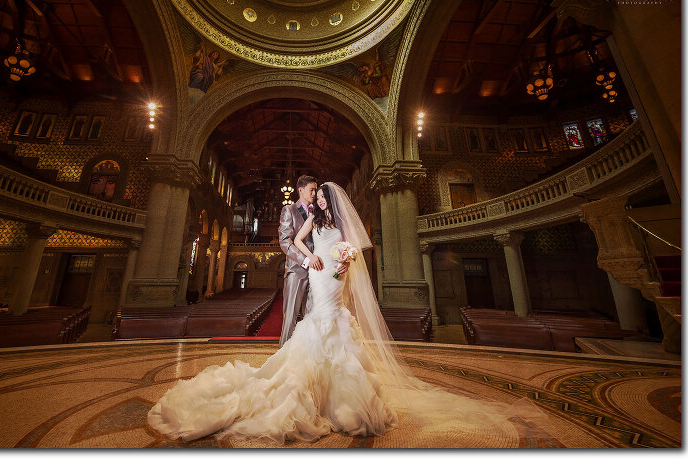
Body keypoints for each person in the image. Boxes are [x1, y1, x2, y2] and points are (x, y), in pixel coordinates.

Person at [147, 182, 545, 445]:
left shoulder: (337, 220)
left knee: (333, 321)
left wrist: (345, 258)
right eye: (316, 197)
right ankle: (309, 384)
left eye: (322, 197)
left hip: (334, 276)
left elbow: (355, 250)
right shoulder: (312, 220)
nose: (319, 201)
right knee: (316, 324)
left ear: (330, 200)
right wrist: (309, 260)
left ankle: (338, 391)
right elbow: (298, 242)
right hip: (318, 271)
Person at [277, 175, 348, 348]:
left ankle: (307, 355)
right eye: (312, 190)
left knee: (312, 315)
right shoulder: (290, 210)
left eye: (316, 190)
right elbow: (285, 242)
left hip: (320, 273)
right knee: (291, 316)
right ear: (300, 190)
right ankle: (283, 354)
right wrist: (307, 260)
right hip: (298, 270)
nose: (315, 193)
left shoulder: (320, 212)